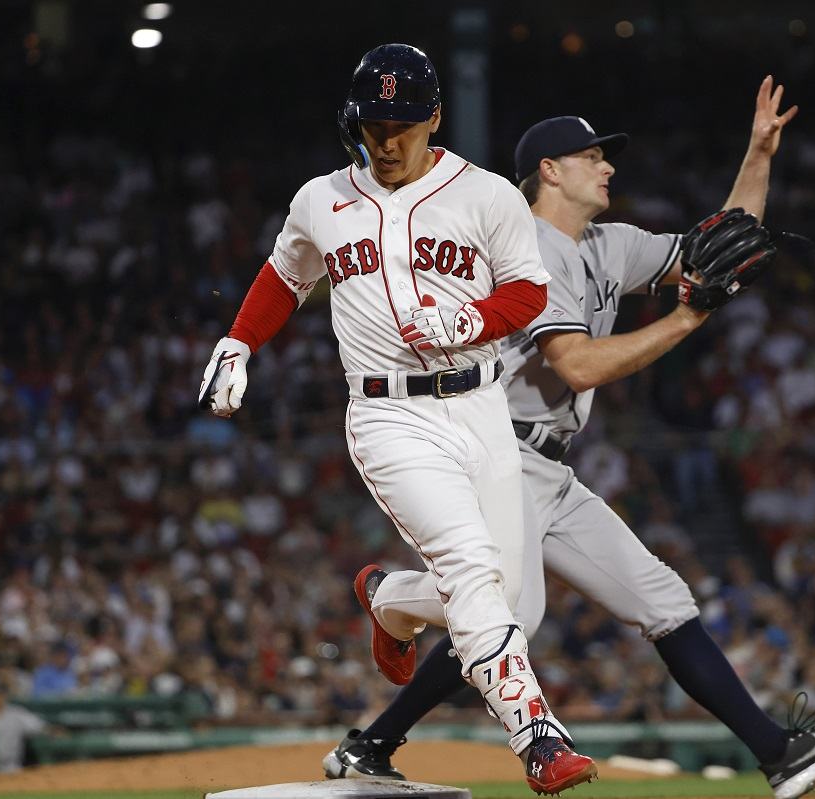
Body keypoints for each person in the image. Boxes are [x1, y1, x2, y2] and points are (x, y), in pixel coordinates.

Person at [324, 78, 815, 799]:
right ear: (549, 170)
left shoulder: (608, 244)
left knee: (662, 599)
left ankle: (780, 753)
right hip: (494, 452)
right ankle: (394, 604)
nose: (607, 166)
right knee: (513, 615)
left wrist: (759, 153)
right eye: (590, 156)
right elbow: (577, 362)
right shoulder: (525, 245)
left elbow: (717, 247)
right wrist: (685, 321)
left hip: (549, 466)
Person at [197, 43, 597, 795]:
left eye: (404, 123)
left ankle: (387, 598)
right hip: (389, 417)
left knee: (497, 593)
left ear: (435, 119)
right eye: (374, 123)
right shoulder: (321, 198)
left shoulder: (484, 195)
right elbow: (286, 275)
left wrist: (465, 319)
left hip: (482, 406)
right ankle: (538, 734)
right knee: (474, 569)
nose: (387, 139)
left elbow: (529, 293)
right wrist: (237, 341)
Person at [0, 681, 50, 773]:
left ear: (5, 696)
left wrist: (52, 730)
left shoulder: (16, 713)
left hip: (13, 766)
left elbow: (39, 726)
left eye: (0, 694)